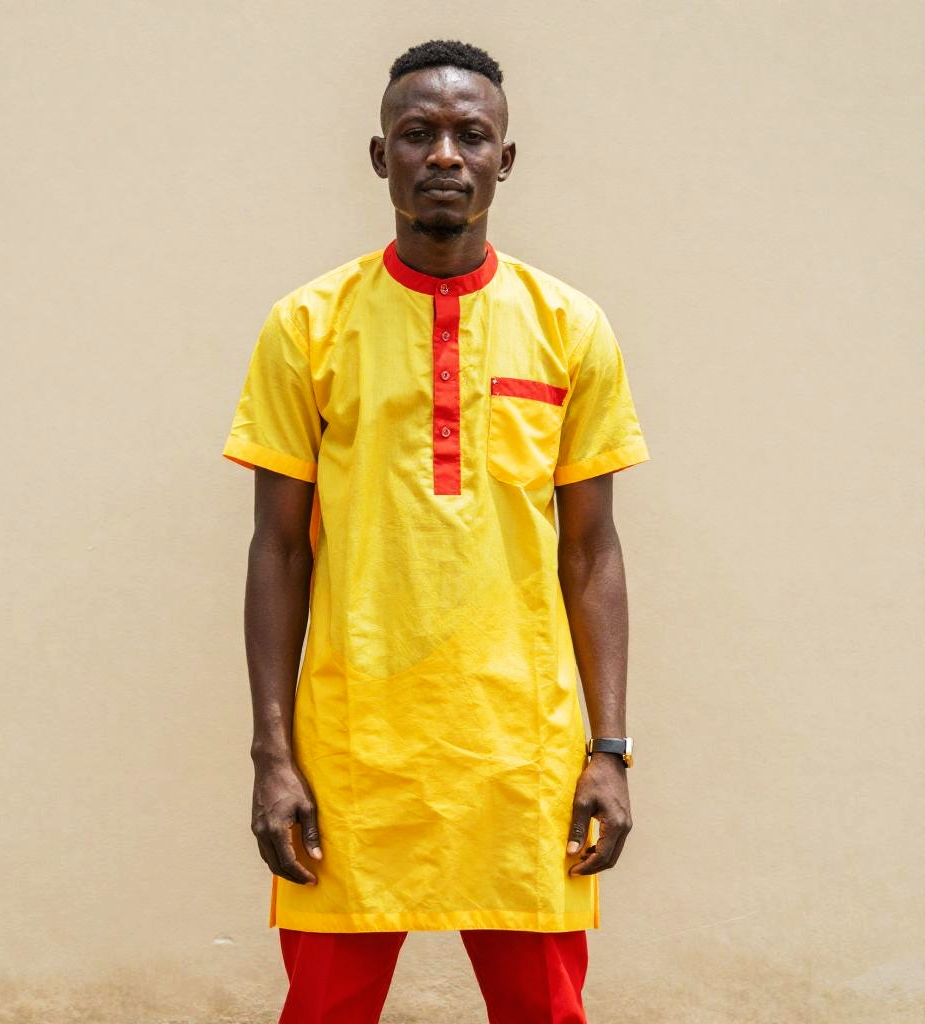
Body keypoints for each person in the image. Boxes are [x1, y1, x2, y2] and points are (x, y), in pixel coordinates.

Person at [221, 39, 650, 1024]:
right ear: (382, 157)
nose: (446, 154)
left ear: (506, 158)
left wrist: (610, 749)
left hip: (522, 752)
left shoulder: (570, 326)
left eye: (471, 135)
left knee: (545, 1012)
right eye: (418, 134)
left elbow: (591, 552)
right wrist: (273, 755)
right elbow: (278, 550)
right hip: (351, 749)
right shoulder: (307, 327)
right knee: (322, 1012)